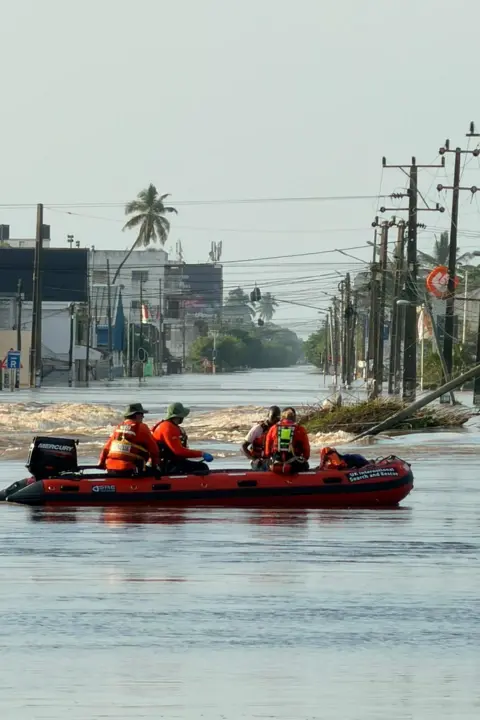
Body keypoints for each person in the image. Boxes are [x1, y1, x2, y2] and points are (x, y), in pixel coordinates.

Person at [98, 403, 160, 476]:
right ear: (136, 415)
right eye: (142, 414)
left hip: (111, 468)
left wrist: (102, 464)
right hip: (129, 469)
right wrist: (155, 465)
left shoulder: (118, 427)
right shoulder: (142, 427)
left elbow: (106, 448)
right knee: (157, 473)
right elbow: (154, 449)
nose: (143, 416)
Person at [152, 402, 213, 476]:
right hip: (167, 465)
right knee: (202, 467)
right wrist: (201, 454)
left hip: (167, 462)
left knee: (195, 466)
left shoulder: (167, 425)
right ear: (179, 416)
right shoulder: (168, 428)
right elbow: (178, 451)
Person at [264, 407, 310, 473]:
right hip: (294, 465)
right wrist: (304, 459)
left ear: (282, 417)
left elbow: (267, 452)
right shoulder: (300, 429)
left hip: (275, 464)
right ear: (294, 418)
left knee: (264, 465)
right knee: (306, 465)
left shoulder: (273, 428)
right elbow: (306, 451)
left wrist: (269, 458)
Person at [241, 405, 281, 470]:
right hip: (258, 461)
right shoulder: (258, 428)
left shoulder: (279, 430)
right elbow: (243, 447)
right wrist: (254, 459)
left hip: (271, 461)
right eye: (273, 417)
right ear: (268, 416)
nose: (275, 420)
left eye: (277, 418)